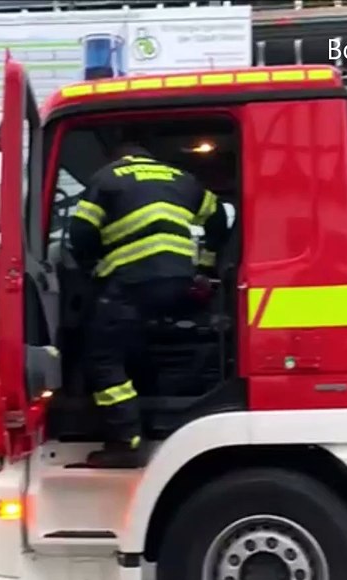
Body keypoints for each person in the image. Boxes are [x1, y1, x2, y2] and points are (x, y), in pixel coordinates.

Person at [66, 139, 230, 468]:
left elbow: (80, 232)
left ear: (119, 156)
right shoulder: (181, 178)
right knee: (140, 346)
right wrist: (206, 267)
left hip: (131, 284)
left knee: (102, 357)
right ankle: (159, 416)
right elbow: (218, 221)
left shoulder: (108, 178)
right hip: (178, 285)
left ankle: (127, 441)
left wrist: (90, 267)